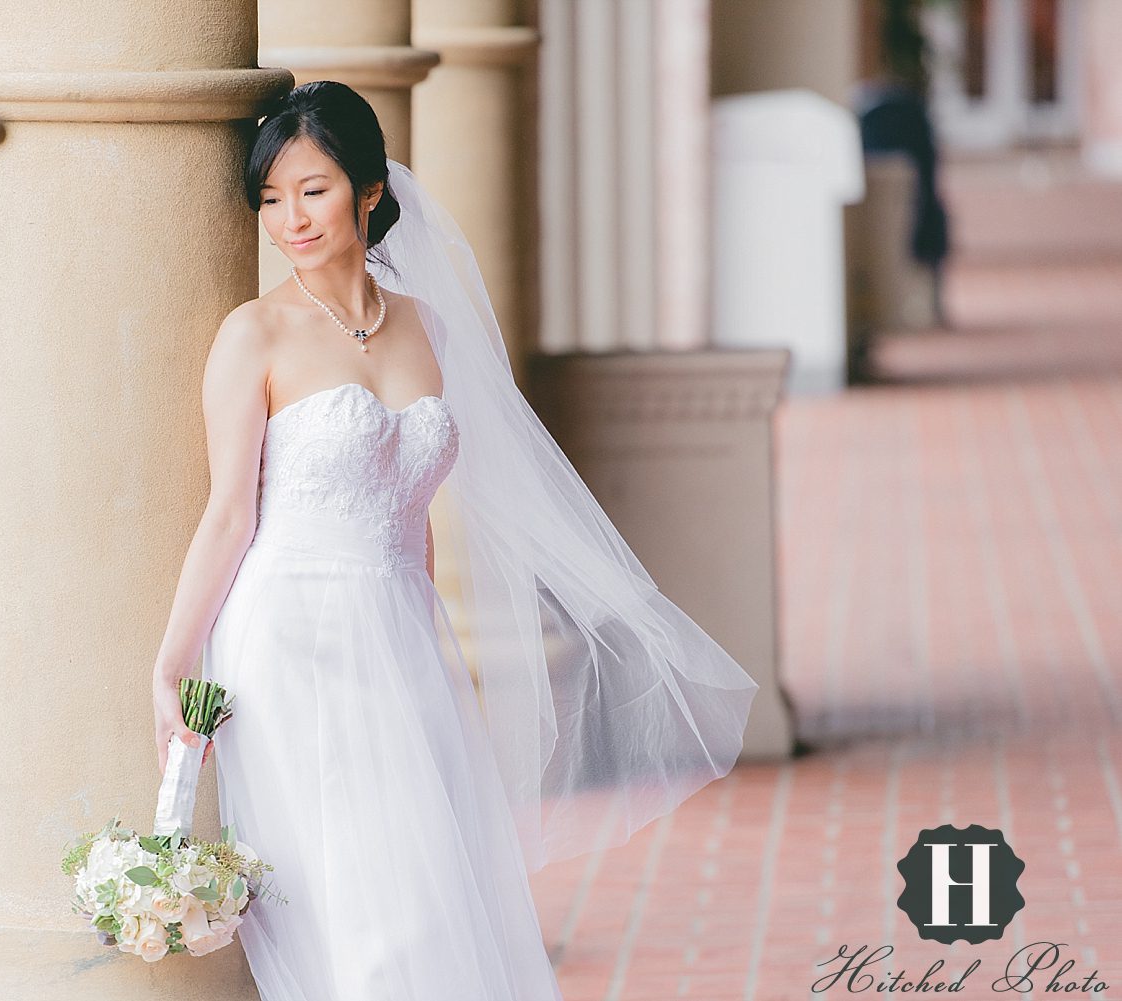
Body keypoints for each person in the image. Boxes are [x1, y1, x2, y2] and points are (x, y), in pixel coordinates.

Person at [150, 80, 759, 1000]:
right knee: (343, 893)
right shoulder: (255, 335)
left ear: (366, 188)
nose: (290, 219)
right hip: (291, 637)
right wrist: (173, 660)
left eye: (311, 190)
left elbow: (419, 520)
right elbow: (230, 513)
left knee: (428, 882)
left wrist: (440, 652)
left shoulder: (428, 327)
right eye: (270, 199)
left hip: (401, 630)